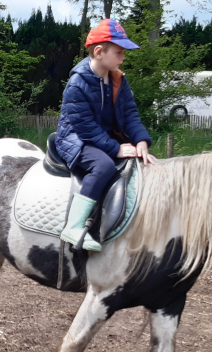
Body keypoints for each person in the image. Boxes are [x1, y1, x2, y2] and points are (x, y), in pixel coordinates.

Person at [56, 18, 156, 252]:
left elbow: (129, 113)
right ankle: (74, 225)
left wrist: (140, 140)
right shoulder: (77, 84)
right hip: (76, 140)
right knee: (103, 166)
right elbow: (85, 128)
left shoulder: (118, 79)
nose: (123, 57)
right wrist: (116, 148)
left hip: (103, 136)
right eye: (119, 52)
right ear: (99, 52)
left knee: (140, 164)